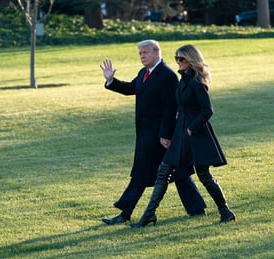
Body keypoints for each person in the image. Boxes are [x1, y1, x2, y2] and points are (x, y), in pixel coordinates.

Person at [99, 40, 207, 225]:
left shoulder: (167, 75)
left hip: (159, 136)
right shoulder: (144, 73)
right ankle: (196, 209)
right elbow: (130, 89)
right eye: (140, 53)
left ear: (157, 53)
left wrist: (165, 135)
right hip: (145, 133)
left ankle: (125, 213)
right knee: (172, 171)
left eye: (145, 52)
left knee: (150, 173)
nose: (142, 56)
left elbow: (169, 108)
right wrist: (111, 80)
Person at [131, 44, 236, 227]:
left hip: (195, 135)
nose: (178, 62)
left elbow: (207, 111)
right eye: (176, 59)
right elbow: (179, 107)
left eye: (181, 59)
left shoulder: (197, 82)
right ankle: (148, 215)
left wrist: (191, 129)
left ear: (191, 60)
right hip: (180, 134)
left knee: (204, 176)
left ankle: (225, 211)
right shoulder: (183, 81)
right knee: (163, 171)